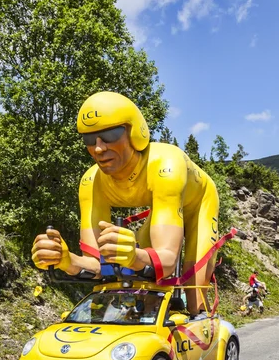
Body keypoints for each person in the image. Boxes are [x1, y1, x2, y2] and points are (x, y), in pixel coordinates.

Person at [31, 91, 220, 317]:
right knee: (144, 288)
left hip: (199, 202)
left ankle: (201, 326)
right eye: (89, 140)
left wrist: (134, 256)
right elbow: (99, 267)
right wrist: (66, 259)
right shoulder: (91, 182)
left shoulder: (166, 166)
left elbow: (167, 260)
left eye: (110, 135)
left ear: (134, 133)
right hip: (161, 203)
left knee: (194, 289)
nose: (99, 149)